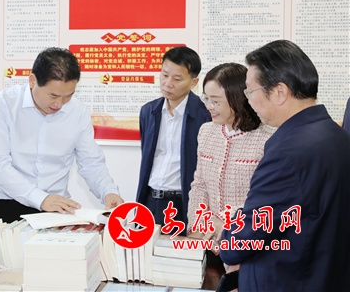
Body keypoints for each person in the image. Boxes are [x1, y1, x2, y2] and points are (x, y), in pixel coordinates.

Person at [219, 40, 350, 291]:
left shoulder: (287, 153)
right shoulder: (337, 136)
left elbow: (245, 238)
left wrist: (227, 233)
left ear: (279, 92)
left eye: (250, 92)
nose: (248, 101)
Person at [0, 47, 124, 223]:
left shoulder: (77, 111)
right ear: (32, 81)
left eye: (68, 96)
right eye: (53, 95)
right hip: (5, 205)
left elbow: (90, 162)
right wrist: (41, 198)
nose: (59, 104)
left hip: (56, 209)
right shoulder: (3, 105)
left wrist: (108, 191)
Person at [186, 63, 276, 276]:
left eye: (215, 101)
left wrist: (225, 222)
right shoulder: (206, 132)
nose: (209, 106)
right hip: (209, 244)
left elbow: (267, 198)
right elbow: (199, 185)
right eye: (206, 99)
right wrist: (198, 225)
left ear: (238, 99)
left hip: (248, 243)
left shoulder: (267, 138)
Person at [136, 46, 211, 227]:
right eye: (164, 75)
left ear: (194, 82)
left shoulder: (204, 115)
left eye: (177, 79)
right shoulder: (149, 111)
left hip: (184, 203)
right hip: (150, 201)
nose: (167, 83)